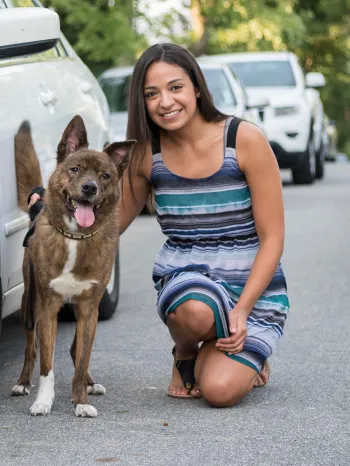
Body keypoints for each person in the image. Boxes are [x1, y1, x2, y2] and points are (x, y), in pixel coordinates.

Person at [29, 43, 290, 407]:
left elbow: (273, 238)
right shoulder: (147, 156)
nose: (165, 102)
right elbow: (107, 221)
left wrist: (243, 310)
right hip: (189, 280)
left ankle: (240, 352)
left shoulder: (244, 140)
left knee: (220, 391)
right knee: (196, 313)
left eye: (176, 87)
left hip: (250, 284)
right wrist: (49, 206)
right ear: (143, 101)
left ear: (197, 87)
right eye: (152, 94)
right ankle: (186, 351)